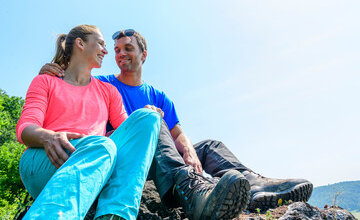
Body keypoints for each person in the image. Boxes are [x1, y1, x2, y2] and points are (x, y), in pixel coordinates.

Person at [41, 29, 313, 216]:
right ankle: (193, 193)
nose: (120, 54)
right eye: (115, 50)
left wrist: (190, 152)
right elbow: (76, 82)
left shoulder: (159, 95)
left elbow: (179, 133)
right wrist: (53, 70)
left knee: (209, 145)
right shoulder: (103, 84)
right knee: (153, 122)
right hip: (130, 158)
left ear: (143, 55)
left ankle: (254, 185)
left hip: (165, 158)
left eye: (128, 48)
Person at [17, 25, 163, 220]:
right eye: (101, 44)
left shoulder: (109, 91)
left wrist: (148, 115)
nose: (106, 50)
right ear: (80, 44)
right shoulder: (46, 81)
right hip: (47, 160)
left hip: (96, 160)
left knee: (148, 118)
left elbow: (128, 135)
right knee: (102, 145)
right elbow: (25, 129)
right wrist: (48, 137)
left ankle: (114, 214)